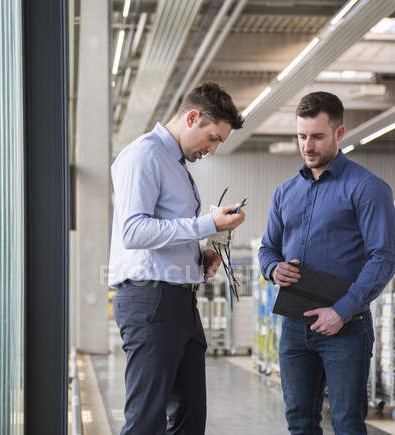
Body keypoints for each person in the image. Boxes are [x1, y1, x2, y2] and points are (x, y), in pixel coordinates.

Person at [258, 91, 395, 434]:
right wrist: (273, 269)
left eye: (318, 137)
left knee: (348, 424)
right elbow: (267, 249)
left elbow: (384, 257)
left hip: (346, 327)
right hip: (294, 326)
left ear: (339, 134)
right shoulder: (285, 192)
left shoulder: (367, 188)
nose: (308, 146)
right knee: (298, 422)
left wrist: (342, 311)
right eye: (301, 136)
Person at [108, 82, 246, 434]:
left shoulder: (175, 164)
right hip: (152, 300)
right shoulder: (145, 155)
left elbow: (165, 231)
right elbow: (134, 232)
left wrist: (201, 256)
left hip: (179, 300)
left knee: (188, 417)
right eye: (213, 138)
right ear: (192, 117)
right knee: (146, 419)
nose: (212, 149)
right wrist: (206, 224)